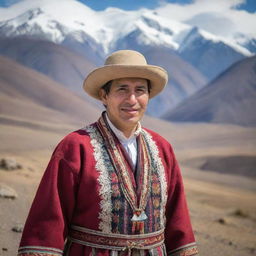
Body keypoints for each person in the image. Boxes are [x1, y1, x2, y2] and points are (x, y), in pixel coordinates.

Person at [18, 50, 198, 256]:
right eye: (122, 90)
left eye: (140, 90)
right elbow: (48, 221)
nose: (132, 99)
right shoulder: (75, 147)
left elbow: (178, 218)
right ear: (104, 95)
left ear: (148, 96)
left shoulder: (162, 148)